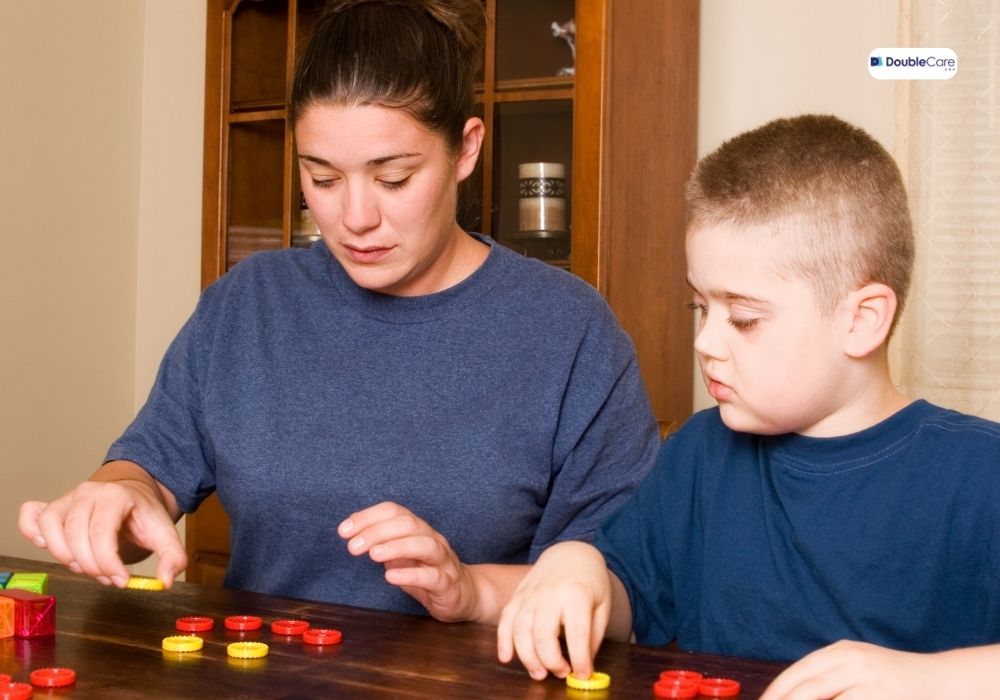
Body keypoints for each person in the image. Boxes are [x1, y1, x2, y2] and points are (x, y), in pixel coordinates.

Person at [17, 0, 660, 617]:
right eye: (322, 179)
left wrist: (470, 589)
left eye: (393, 179)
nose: (354, 218)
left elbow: (624, 588)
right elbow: (149, 472)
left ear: (465, 149)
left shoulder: (568, 330)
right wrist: (119, 498)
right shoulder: (250, 303)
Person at [492, 114, 1000, 698]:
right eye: (700, 309)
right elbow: (630, 601)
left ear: (862, 320)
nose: (706, 342)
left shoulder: (979, 474)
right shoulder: (699, 454)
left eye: (744, 318)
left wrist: (928, 680)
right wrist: (580, 568)